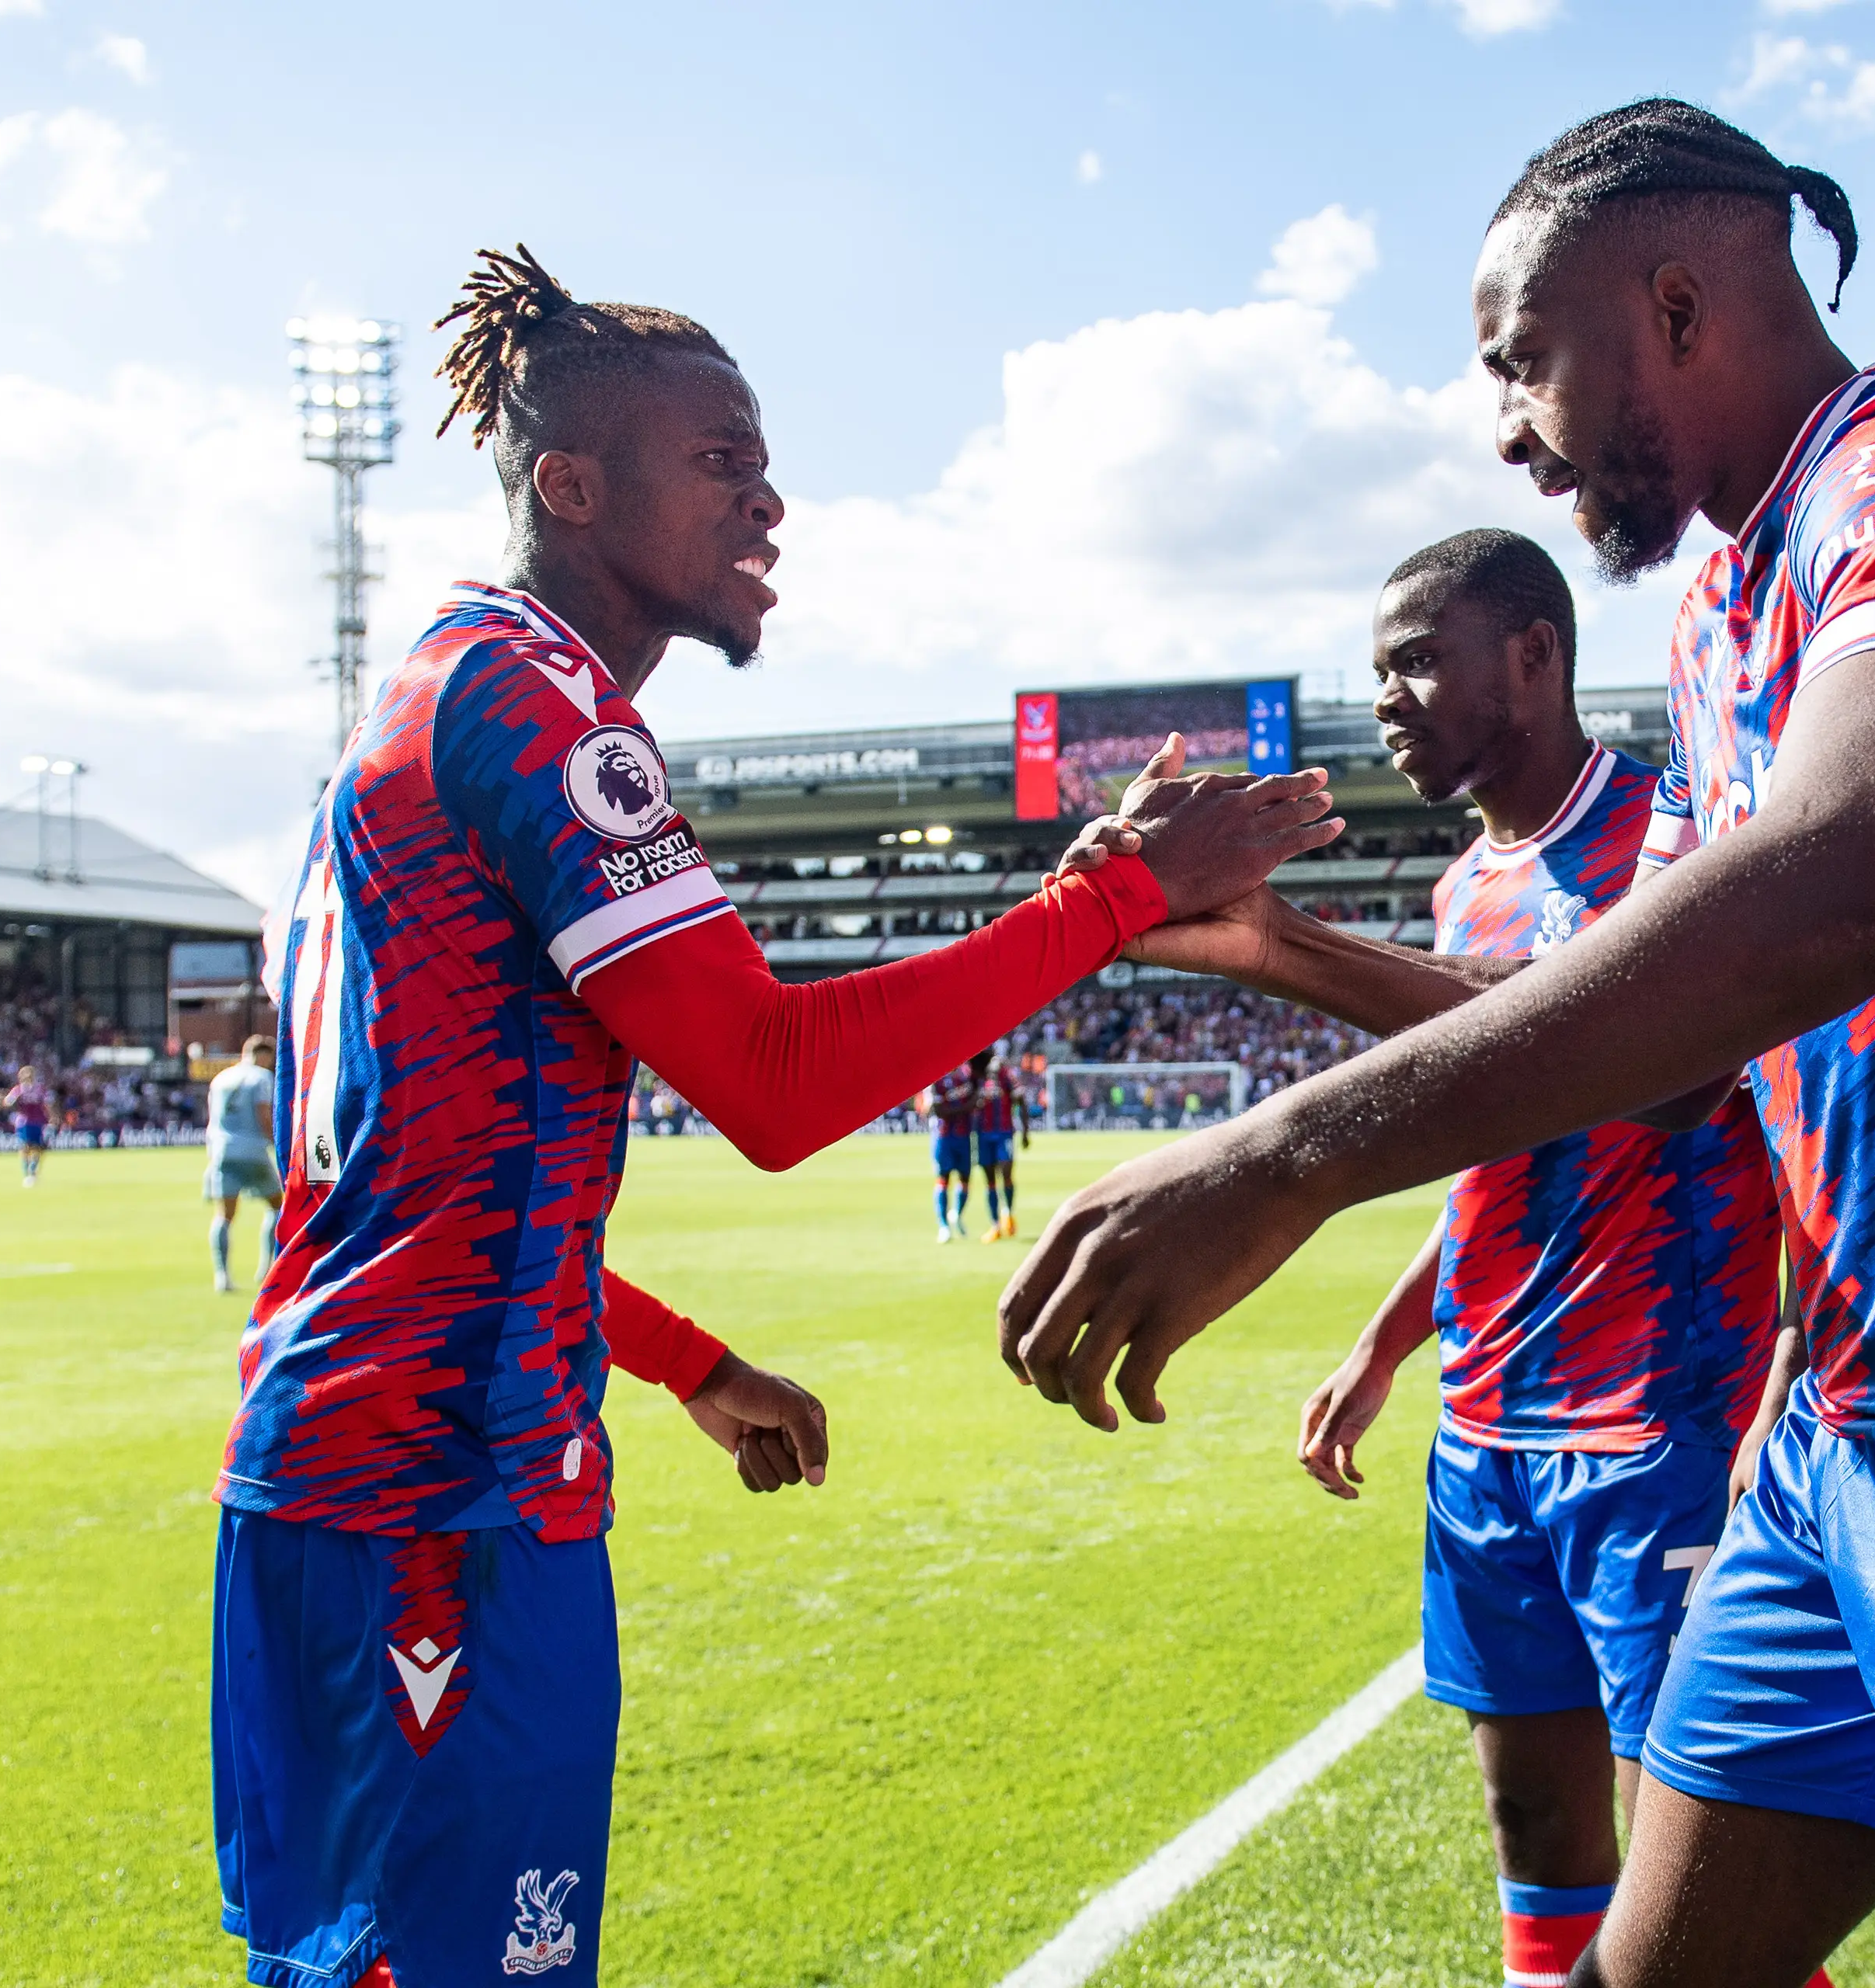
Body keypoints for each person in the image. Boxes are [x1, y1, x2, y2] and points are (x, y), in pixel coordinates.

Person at [1006, 103, 1875, 1988]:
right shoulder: (1728, 601)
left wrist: (1285, 1150)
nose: (1500, 426)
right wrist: (1282, 950)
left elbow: (1841, 885)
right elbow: (1705, 1038)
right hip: (1851, 1431)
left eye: (1518, 361)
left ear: (1672, 300)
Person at [216, 245, 1338, 1988]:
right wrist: (1111, 898)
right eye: (722, 458)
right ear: (572, 487)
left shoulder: (418, 700)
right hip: (443, 1496)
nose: (771, 496)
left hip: (352, 1478)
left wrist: (680, 1359)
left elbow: (416, 1200)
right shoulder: (535, 705)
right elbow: (775, 1082)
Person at [1158, 528, 1782, 1988]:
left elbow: (1647, 1062)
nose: (1389, 697)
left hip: (1660, 1414)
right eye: (1378, 670)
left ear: (1537, 657)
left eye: (1419, 660)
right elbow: (1501, 1142)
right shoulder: (1465, 890)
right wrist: (1388, 1345)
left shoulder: (1672, 835)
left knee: (1692, 1878)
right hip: (1494, 1423)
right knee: (1530, 1818)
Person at [204, 1036, 282, 1295]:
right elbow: (263, 1114)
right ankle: (266, 1267)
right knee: (277, 1205)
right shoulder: (261, 1077)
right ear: (263, 1055)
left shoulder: (221, 1078)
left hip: (222, 1150)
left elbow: (212, 1119)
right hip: (252, 1150)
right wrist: (276, 1144)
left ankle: (222, 1275)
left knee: (224, 1215)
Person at [970, 1048, 1030, 1240]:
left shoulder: (1004, 1075)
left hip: (1004, 1133)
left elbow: (1020, 1098)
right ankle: (995, 1224)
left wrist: (1025, 1132)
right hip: (983, 1134)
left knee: (1006, 1173)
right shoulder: (975, 1078)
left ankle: (1008, 1214)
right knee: (989, 1179)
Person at [924, 1057, 980, 1242]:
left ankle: (956, 1214)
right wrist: (966, 1108)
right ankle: (943, 1226)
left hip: (964, 1136)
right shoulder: (936, 1079)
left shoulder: (966, 1076)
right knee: (943, 1179)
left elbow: (976, 1100)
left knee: (965, 1178)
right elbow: (940, 1111)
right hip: (944, 1136)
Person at [1, 1064, 49, 1187]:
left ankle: (32, 1171)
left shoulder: (40, 1089)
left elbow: (48, 1103)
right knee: (25, 1148)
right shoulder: (19, 1090)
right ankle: (28, 1173)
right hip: (24, 1122)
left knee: (37, 1148)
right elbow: (7, 1102)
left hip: (37, 1122)